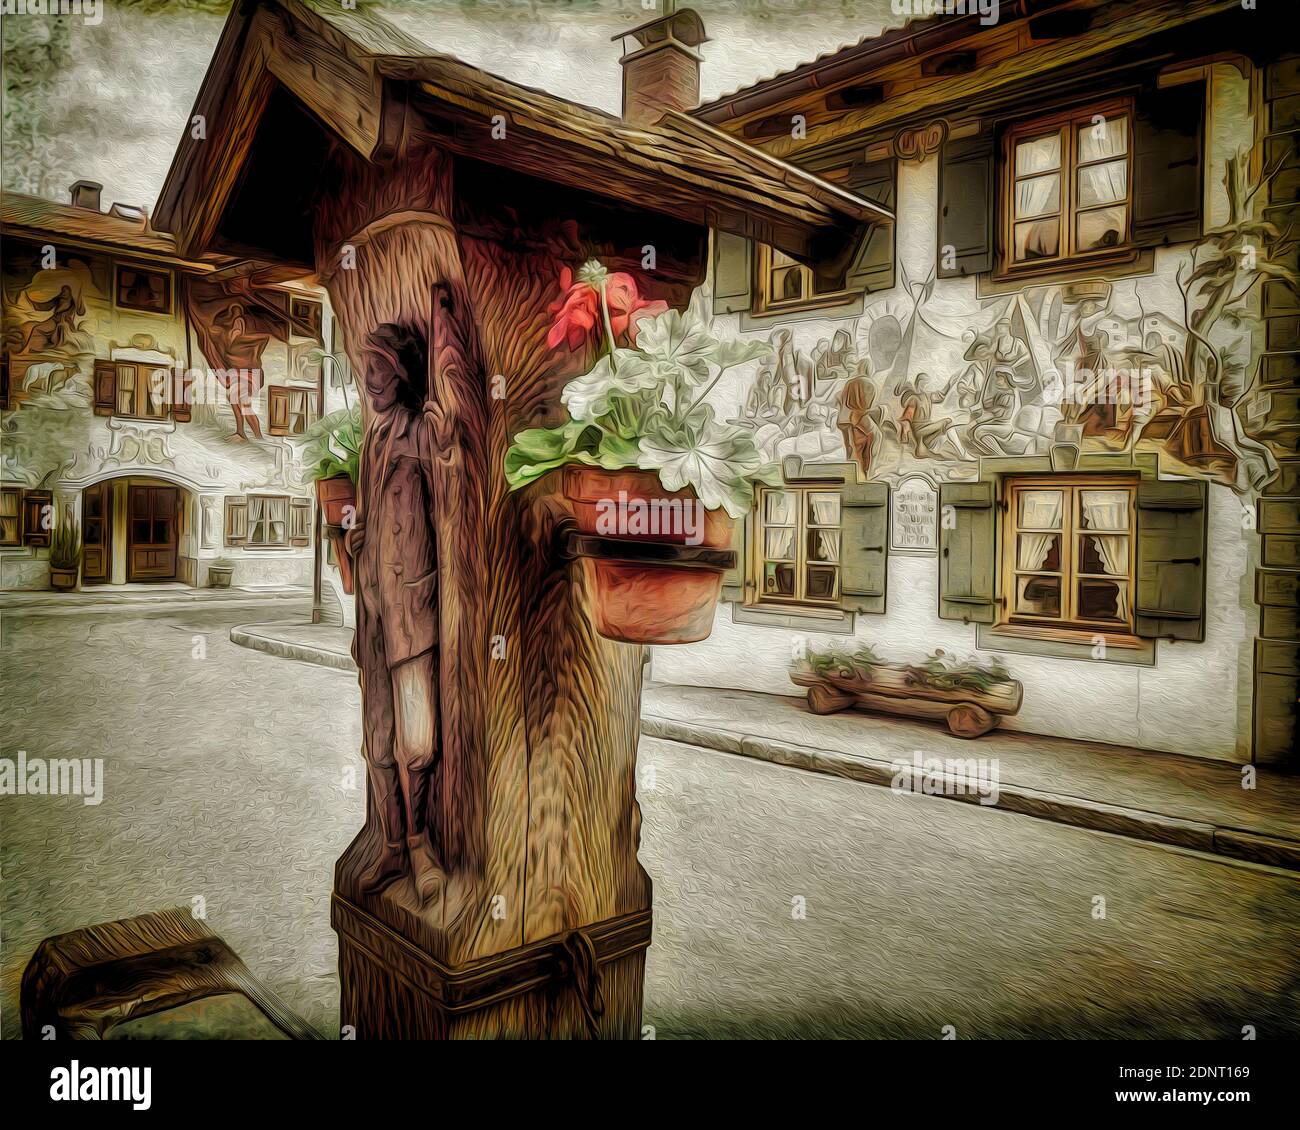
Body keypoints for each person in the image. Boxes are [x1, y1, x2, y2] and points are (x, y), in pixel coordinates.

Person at [346, 322, 443, 905]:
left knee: (420, 742)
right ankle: (389, 847)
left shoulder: (420, 434)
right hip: (374, 613)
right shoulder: (372, 439)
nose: (369, 379)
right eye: (365, 368)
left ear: (401, 373)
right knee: (378, 742)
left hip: (413, 610)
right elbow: (360, 509)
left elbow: (450, 499)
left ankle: (420, 844)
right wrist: (353, 540)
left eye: (378, 368)